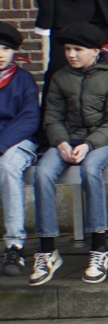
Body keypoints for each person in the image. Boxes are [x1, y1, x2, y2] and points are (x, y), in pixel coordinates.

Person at [30, 23, 108, 286]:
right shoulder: (60, 77)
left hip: (104, 141)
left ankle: (99, 247)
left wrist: (89, 144)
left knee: (90, 169)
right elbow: (52, 117)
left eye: (78, 49)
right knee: (42, 172)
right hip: (68, 140)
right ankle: (47, 250)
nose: (71, 54)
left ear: (95, 51)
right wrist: (60, 143)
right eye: (68, 49)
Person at [0, 22, 41, 277]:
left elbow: (29, 119)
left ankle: (14, 246)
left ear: (14, 52)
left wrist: (2, 145)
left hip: (19, 141)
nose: (1, 54)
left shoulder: (23, 79)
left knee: (8, 166)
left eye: (5, 48)